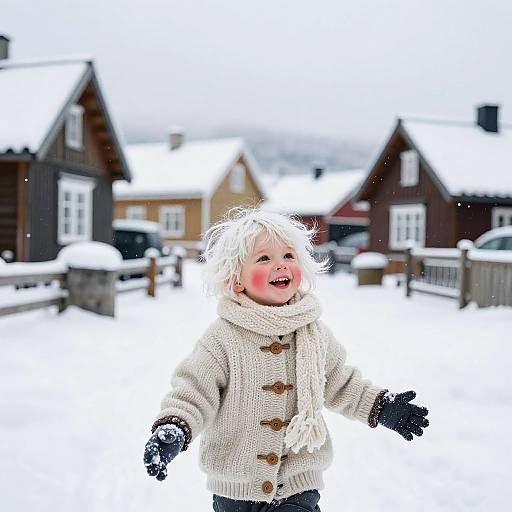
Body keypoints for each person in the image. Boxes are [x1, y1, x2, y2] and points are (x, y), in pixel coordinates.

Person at [143, 207, 429, 512]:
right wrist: (175, 427)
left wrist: (381, 406)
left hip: (298, 486)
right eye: (264, 258)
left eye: (288, 256)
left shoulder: (313, 333)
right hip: (236, 492)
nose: (280, 265)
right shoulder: (223, 339)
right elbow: (195, 391)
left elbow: (339, 382)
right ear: (236, 280)